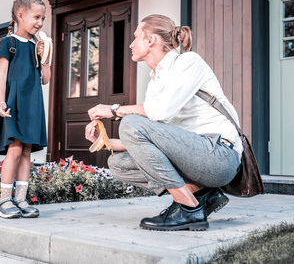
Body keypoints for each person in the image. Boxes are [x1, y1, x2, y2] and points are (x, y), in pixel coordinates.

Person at [85, 14, 242, 231]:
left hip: (219, 156)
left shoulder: (188, 61)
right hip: (192, 155)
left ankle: (188, 208)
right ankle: (201, 195)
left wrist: (113, 110)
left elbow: (159, 112)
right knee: (118, 164)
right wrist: (104, 141)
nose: (131, 44)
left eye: (136, 37)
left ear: (151, 40)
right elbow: (148, 141)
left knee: (130, 122)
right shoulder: (156, 81)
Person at [0, 0, 51, 219]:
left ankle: (21, 199)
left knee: (27, 151)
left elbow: (44, 79)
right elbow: (2, 75)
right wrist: (1, 100)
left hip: (33, 101)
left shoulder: (38, 45)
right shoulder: (9, 43)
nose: (40, 22)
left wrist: (45, 58)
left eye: (43, 18)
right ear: (20, 15)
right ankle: (4, 200)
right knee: (15, 149)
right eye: (36, 17)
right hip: (14, 101)